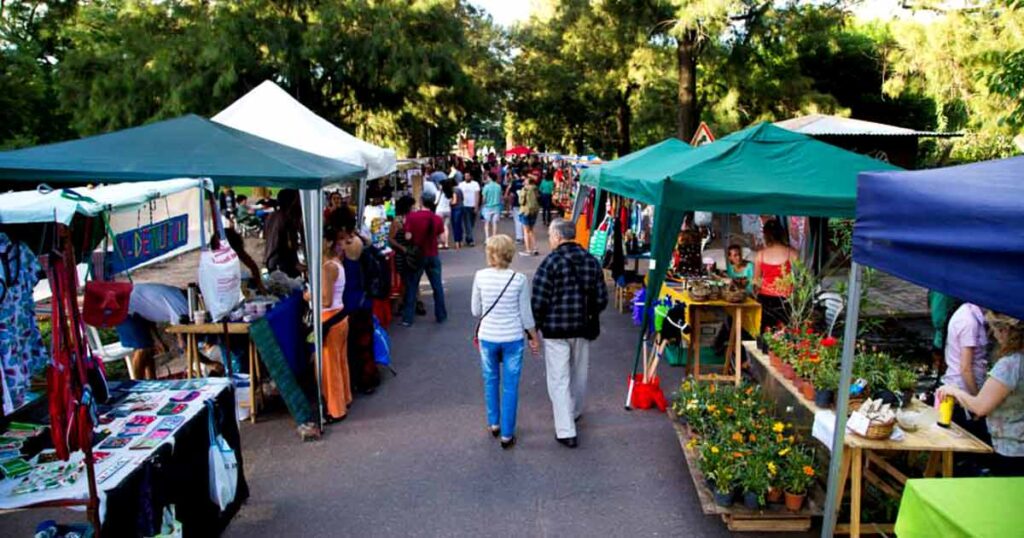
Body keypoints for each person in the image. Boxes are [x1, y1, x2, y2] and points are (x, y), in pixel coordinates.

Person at [532, 219, 608, 448]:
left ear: (556, 236)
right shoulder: (591, 261)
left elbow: (538, 300)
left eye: (550, 235)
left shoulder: (550, 262)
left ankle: (566, 430)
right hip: (583, 328)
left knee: (559, 377)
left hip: (555, 330)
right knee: (579, 373)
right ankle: (574, 411)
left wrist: (534, 328)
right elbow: (602, 298)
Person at [471, 235, 539, 449]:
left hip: (488, 337)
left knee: (490, 379)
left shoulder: (480, 277)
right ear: (509, 254)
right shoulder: (519, 279)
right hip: (512, 338)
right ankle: (507, 434)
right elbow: (526, 314)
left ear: (490, 254)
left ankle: (493, 423)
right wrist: (534, 337)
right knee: (511, 386)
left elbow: (476, 311)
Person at [938, 312, 1024, 476]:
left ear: (1006, 331)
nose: (994, 336)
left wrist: (954, 390)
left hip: (1009, 447)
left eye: (995, 330)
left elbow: (980, 407)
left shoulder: (1010, 365)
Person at [332, 208, 382, 394]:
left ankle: (362, 380)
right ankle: (366, 378)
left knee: (356, 344)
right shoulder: (359, 240)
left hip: (352, 300)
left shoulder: (348, 245)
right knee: (362, 343)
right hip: (361, 299)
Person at [115, 283, 189, 379]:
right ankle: (137, 384)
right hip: (123, 307)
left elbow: (149, 315)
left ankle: (152, 380)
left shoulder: (177, 295)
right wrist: (209, 362)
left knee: (149, 347)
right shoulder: (181, 305)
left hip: (136, 305)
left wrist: (158, 340)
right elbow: (183, 343)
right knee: (143, 349)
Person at [320, 225, 353, 422]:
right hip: (340, 316)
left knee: (331, 368)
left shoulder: (328, 267)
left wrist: (309, 296)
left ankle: (336, 409)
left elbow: (325, 300)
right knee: (340, 363)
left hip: (330, 318)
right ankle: (344, 398)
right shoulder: (335, 263)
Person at [401, 192, 447, 326]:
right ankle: (441, 315)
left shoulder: (411, 217)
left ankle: (407, 318)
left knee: (412, 286)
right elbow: (443, 239)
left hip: (417, 256)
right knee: (437, 286)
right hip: (433, 255)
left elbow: (408, 237)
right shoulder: (437, 218)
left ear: (421, 201)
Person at [753, 219, 798, 331]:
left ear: (766, 236)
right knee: (786, 332)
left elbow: (756, 281)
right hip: (785, 298)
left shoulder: (761, 255)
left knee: (766, 331)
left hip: (766, 298)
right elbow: (800, 277)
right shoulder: (792, 253)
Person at [264, 188, 304, 278]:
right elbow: (290, 245)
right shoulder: (288, 219)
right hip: (284, 264)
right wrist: (296, 264)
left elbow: (266, 236)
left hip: (270, 259)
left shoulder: (271, 216)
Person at [518, 176, 541, 256]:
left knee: (526, 231)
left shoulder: (525, 189)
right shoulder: (535, 189)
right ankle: (535, 248)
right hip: (534, 211)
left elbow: (521, 201)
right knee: (531, 230)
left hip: (525, 211)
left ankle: (528, 250)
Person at [457, 171, 481, 247]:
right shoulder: (461, 185)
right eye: (465, 176)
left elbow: (477, 195)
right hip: (464, 206)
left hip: (473, 205)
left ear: (471, 177)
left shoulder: (475, 184)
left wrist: (476, 205)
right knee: (467, 223)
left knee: (472, 223)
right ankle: (470, 239)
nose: (466, 177)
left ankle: (468, 237)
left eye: (468, 176)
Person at [481, 172, 503, 241]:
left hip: (487, 207)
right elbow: (500, 196)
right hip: (497, 207)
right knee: (494, 223)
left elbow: (484, 198)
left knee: (487, 223)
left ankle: (487, 238)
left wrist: (482, 204)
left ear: (490, 178)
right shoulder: (498, 186)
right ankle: (494, 238)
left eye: (487, 177)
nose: (486, 178)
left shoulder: (486, 187)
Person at [505, 170, 525, 244]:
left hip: (516, 204)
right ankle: (525, 236)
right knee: (524, 221)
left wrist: (510, 205)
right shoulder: (527, 182)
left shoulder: (514, 183)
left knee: (517, 221)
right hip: (525, 205)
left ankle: (519, 237)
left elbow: (511, 194)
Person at [436, 181, 453, 250]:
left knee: (439, 228)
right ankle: (446, 243)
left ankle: (440, 243)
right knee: (446, 227)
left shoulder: (439, 193)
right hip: (448, 210)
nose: (439, 186)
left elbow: (436, 202)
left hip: (440, 211)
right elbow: (451, 202)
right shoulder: (450, 193)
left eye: (440, 185)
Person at [449, 179, 465, 249]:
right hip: (461, 207)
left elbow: (454, 201)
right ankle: (461, 241)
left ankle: (457, 242)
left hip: (455, 209)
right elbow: (463, 198)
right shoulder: (459, 190)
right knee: (459, 225)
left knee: (455, 226)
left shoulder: (453, 191)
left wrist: (449, 203)